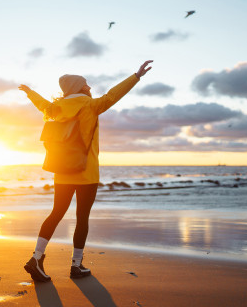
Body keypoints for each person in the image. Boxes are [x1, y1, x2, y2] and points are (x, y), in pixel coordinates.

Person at [18, 60, 153, 282]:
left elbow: (42, 105)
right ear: (80, 87)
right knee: (82, 218)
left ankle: (36, 257)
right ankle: (76, 265)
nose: (89, 87)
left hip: (62, 171)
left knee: (56, 213)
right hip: (86, 172)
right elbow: (113, 95)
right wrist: (135, 76)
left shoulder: (56, 108)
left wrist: (31, 93)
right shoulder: (91, 105)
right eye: (86, 84)